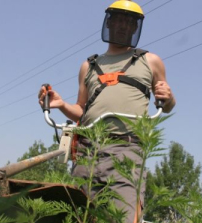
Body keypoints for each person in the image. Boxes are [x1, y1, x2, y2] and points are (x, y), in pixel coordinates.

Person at [38, 0, 176, 222]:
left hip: (127, 150)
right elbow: (81, 111)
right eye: (119, 20)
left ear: (135, 28)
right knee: (78, 215)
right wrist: (62, 105)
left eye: (129, 22)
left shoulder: (150, 61)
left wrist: (168, 98)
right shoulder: (89, 66)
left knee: (121, 216)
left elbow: (166, 104)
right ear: (108, 23)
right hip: (87, 152)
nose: (123, 26)